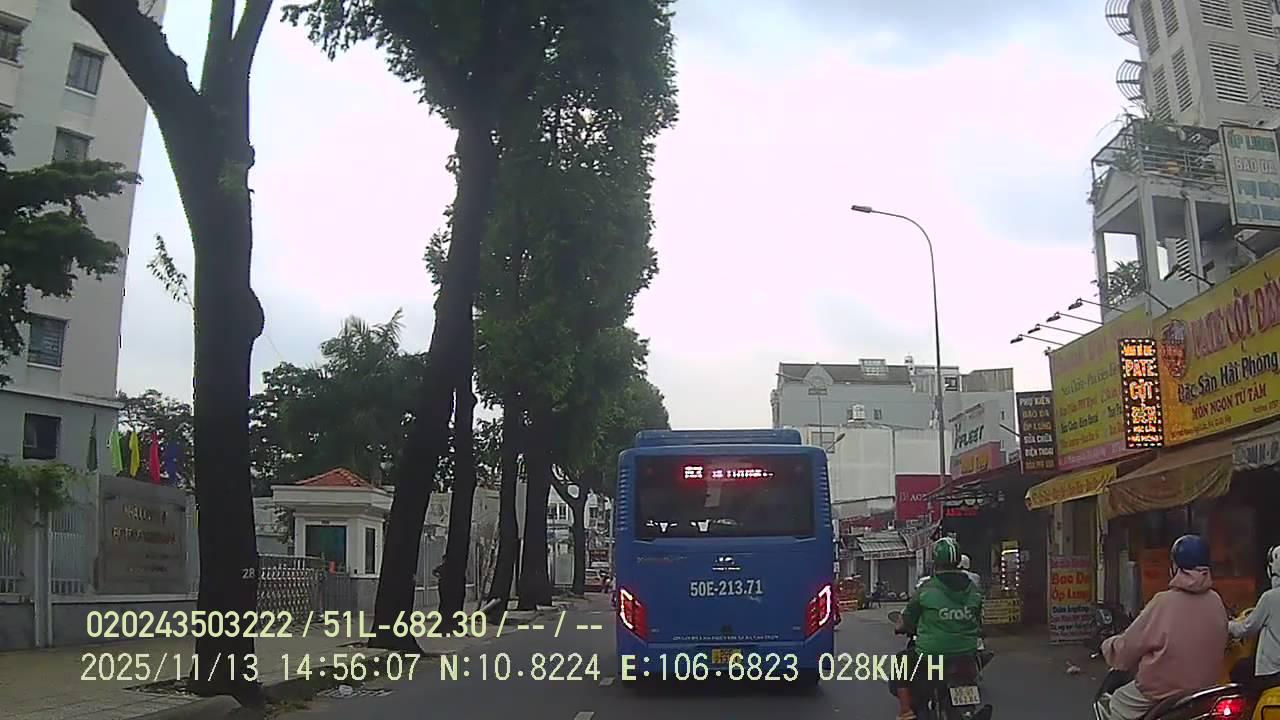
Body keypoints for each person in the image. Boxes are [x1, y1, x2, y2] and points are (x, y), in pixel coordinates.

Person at [1101, 534, 1229, 720]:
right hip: (1205, 691)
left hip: (1162, 693)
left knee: (1118, 701)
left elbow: (1129, 646)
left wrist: (1109, 647)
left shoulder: (1163, 602)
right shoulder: (1216, 601)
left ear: (1175, 567)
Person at [888, 537, 983, 720]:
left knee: (901, 661)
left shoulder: (927, 589)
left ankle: (906, 711)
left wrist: (900, 626)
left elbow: (907, 618)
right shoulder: (973, 589)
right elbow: (978, 619)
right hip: (967, 653)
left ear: (935, 561)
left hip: (932, 656)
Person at [1228, 544, 1280, 694]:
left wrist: (1228, 625)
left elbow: (1247, 628)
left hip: (1271, 673)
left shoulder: (1269, 598)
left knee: (1238, 670)